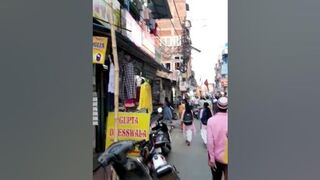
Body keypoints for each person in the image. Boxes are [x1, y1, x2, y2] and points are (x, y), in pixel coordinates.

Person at [207, 97, 228, 180]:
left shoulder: (211, 121)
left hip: (216, 158)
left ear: (217, 107)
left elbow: (210, 142)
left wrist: (211, 159)